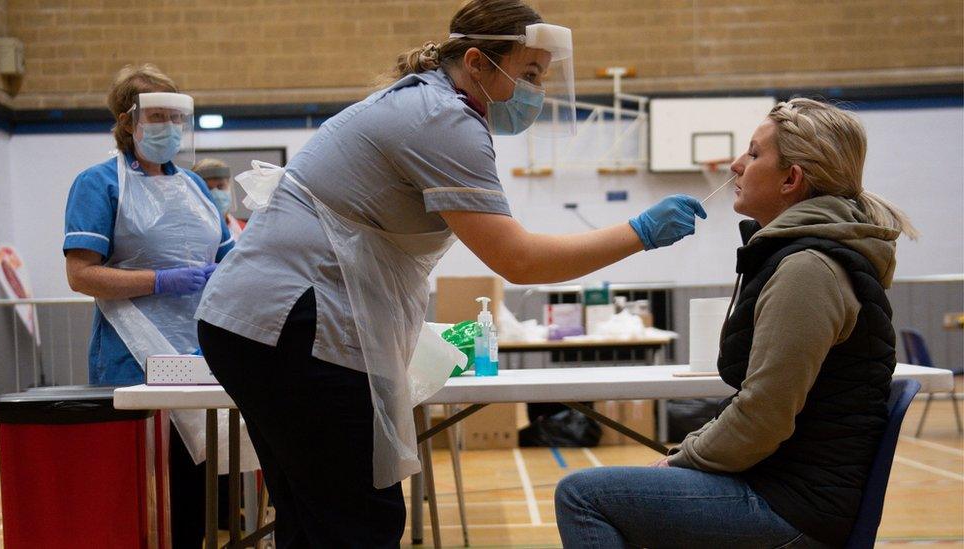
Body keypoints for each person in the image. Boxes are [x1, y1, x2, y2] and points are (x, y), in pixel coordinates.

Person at [195, 0, 705, 546]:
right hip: (288, 323)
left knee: (317, 514)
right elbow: (520, 260)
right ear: (479, 63)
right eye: (528, 74)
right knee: (358, 519)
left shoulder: (426, 103)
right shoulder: (444, 120)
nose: (536, 91)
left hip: (259, 322)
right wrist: (640, 231)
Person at [555, 98, 919, 548]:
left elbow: (763, 417)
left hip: (792, 508)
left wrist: (682, 459)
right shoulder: (806, 259)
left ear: (792, 179)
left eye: (753, 153)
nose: (735, 164)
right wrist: (686, 454)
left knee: (582, 496)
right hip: (785, 490)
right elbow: (756, 407)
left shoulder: (808, 270)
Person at [63, 64, 234, 548]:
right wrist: (161, 280)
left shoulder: (196, 187)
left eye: (176, 116)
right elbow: (80, 275)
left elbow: (227, 257)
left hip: (196, 354)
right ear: (127, 120)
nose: (170, 127)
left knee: (191, 488)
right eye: (157, 116)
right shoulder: (98, 184)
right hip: (134, 354)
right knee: (142, 494)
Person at [193, 158, 246, 240]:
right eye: (208, 188)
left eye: (220, 186)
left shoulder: (245, 231)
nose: (216, 194)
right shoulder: (190, 233)